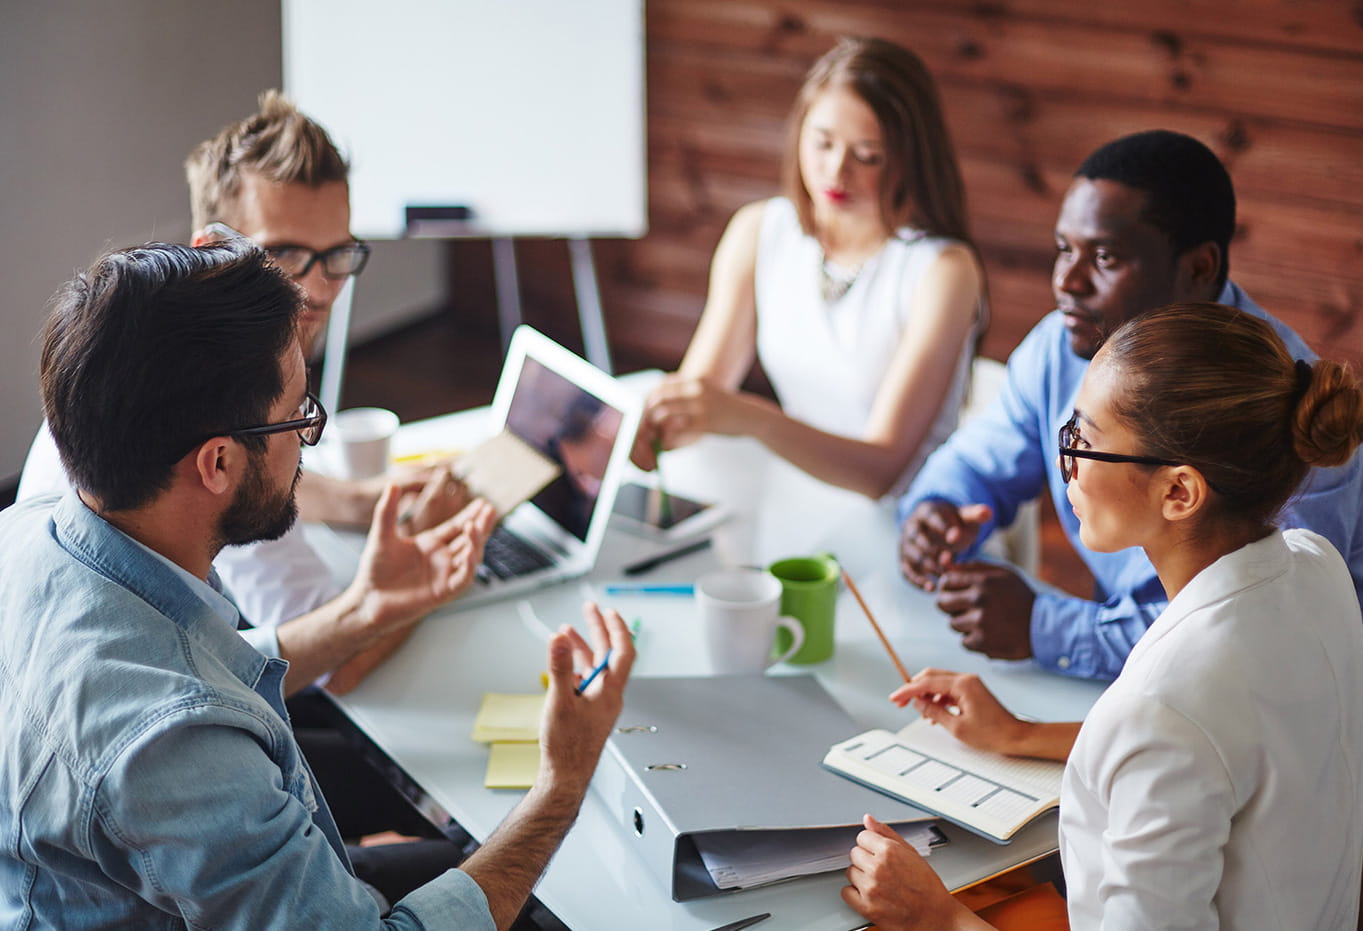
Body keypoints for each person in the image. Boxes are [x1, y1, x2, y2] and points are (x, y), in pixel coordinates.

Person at [0, 241, 636, 927]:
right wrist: (561, 784)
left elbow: (181, 668)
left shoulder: (31, 529)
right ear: (217, 463)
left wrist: (367, 609)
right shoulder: (173, 748)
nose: (307, 438)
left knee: (454, 852)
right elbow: (177, 711)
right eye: (299, 415)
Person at [846, 302, 1363, 929]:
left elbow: (1175, 737)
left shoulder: (1167, 706)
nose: (1065, 461)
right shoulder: (1315, 564)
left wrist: (935, 914)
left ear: (1178, 491)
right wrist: (1017, 735)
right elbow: (1212, 754)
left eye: (1085, 440)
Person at [17, 90, 466, 689]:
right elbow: (331, 665)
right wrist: (425, 563)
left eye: (336, 254)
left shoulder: (136, 353)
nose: (318, 290)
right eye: (285, 254)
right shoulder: (221, 410)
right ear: (213, 250)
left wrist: (360, 503)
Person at [897, 129, 1363, 680]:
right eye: (1063, 249)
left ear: (1198, 268)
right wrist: (938, 510)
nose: (1067, 281)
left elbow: (1259, 637)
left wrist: (1047, 627)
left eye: (1104, 257)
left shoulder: (1285, 409)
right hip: (1145, 684)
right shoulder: (1060, 346)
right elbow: (978, 461)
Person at [633, 36, 984, 499]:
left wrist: (751, 418)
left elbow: (880, 473)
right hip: (800, 493)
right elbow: (701, 396)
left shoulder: (944, 271)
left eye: (867, 156)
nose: (836, 172)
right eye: (822, 143)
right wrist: (643, 430)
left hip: (913, 516)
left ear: (909, 159)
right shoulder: (760, 230)